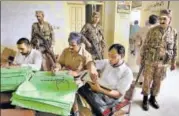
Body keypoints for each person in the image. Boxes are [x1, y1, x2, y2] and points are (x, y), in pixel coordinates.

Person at [78, 44, 133, 115]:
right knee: (80, 88)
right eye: (109, 55)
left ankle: (104, 111)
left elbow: (118, 94)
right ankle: (99, 109)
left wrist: (99, 89)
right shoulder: (107, 62)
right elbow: (91, 62)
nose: (110, 58)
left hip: (111, 97)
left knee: (93, 103)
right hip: (97, 90)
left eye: (113, 56)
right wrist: (92, 70)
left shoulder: (127, 72)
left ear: (122, 56)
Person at [140, 9, 178, 111]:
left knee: (158, 81)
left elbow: (174, 48)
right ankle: (145, 99)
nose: (162, 20)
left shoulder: (174, 32)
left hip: (163, 63)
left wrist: (174, 61)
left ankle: (153, 98)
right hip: (150, 60)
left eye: (164, 19)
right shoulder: (152, 30)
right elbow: (145, 45)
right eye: (160, 18)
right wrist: (141, 57)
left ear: (170, 19)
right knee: (147, 81)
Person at [131, 15, 158, 84]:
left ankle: (141, 80)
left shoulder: (143, 29)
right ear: (157, 21)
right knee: (151, 66)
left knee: (142, 66)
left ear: (149, 20)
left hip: (143, 50)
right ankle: (149, 81)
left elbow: (135, 37)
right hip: (154, 51)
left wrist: (138, 44)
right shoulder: (157, 30)